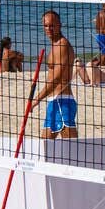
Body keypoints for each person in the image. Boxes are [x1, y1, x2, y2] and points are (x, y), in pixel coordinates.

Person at [35, 10, 78, 139]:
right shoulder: (54, 45)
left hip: (62, 101)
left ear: (60, 25)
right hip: (55, 101)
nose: (48, 28)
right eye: (46, 25)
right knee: (45, 146)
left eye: (52, 25)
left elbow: (56, 78)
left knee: (74, 149)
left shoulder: (62, 45)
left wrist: (37, 99)